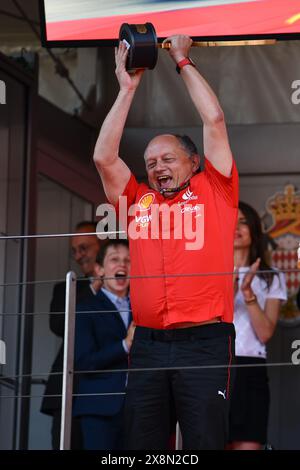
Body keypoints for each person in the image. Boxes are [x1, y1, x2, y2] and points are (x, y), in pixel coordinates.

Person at [93, 35, 239, 450]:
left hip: (204, 344)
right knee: (142, 446)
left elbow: (213, 121)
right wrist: (127, 90)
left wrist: (181, 59)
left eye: (168, 159)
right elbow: (104, 158)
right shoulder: (138, 199)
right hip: (149, 345)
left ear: (194, 163)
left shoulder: (217, 189)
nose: (157, 167)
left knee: (205, 443)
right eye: (151, 162)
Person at [228, 202, 287, 450]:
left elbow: (265, 333)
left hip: (251, 367)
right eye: (232, 221)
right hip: (214, 365)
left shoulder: (271, 275)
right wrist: (229, 281)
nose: (237, 227)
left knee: (249, 443)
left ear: (253, 228)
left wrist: (247, 293)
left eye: (243, 221)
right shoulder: (206, 272)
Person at [41, 221, 101, 449]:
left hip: (109, 391)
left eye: (83, 248)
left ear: (102, 244)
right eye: (74, 251)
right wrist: (94, 288)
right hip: (70, 389)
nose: (78, 256)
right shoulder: (66, 287)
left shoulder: (124, 285)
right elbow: (58, 324)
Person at [73, 239, 134, 450]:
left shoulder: (144, 306)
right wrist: (124, 345)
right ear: (99, 269)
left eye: (128, 260)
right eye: (114, 259)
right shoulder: (86, 308)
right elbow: (83, 362)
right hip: (99, 409)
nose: (122, 265)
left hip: (141, 409)